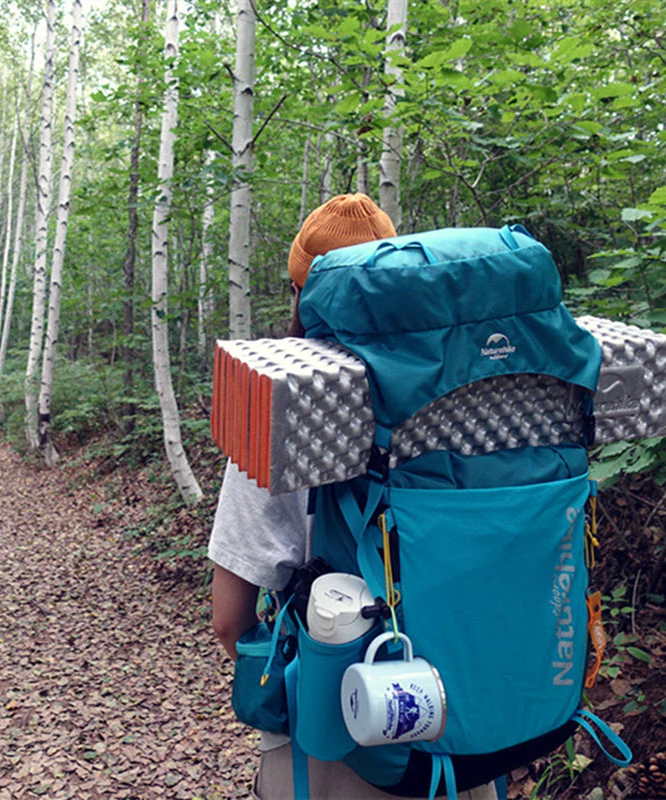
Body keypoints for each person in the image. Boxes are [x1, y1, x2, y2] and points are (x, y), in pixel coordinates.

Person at [208, 194, 498, 800]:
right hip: (469, 738)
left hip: (336, 748)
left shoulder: (277, 410)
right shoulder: (480, 392)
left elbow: (229, 620)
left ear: (300, 293)